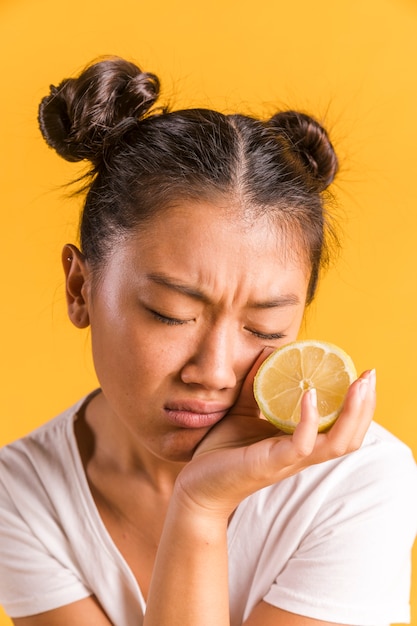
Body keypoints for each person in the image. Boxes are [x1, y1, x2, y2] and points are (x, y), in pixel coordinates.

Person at [0, 56, 416, 626]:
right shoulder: (23, 494)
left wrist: (200, 506)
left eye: (264, 328)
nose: (216, 372)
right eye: (170, 314)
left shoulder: (357, 482)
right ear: (80, 287)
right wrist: (198, 507)